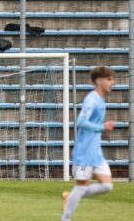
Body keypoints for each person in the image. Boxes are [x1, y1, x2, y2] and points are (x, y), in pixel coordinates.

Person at [61, 66, 116, 221]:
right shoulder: (91, 99)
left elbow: (93, 124)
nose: (113, 82)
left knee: (107, 185)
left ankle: (70, 196)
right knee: (81, 185)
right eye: (109, 79)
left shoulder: (100, 100)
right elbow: (81, 121)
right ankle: (65, 218)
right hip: (85, 152)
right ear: (99, 81)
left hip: (95, 153)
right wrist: (102, 127)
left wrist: (104, 129)